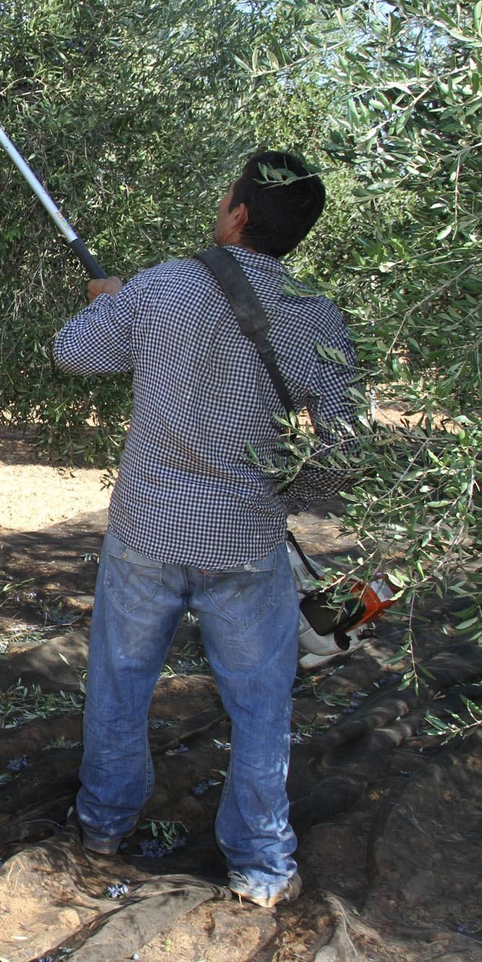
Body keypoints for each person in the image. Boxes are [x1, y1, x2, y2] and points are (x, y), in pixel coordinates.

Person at [52, 150, 359, 908]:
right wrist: (290, 489)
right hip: (248, 541)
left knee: (121, 683)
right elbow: (347, 451)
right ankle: (260, 862)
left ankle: (102, 824)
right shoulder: (316, 315)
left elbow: (73, 351)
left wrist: (109, 302)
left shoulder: (165, 286)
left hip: (147, 531)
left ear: (239, 214)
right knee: (262, 703)